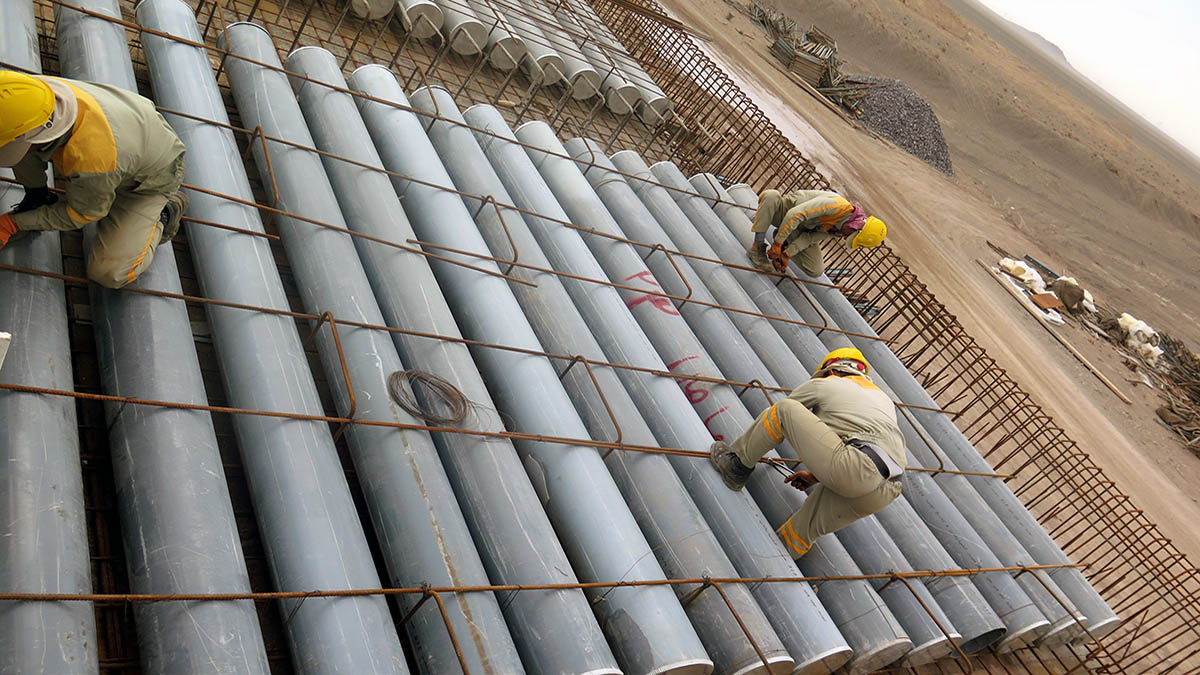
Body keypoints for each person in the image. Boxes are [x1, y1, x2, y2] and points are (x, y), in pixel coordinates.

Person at [709, 348, 905, 559]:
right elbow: (868, 445)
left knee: (783, 411)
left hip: (854, 465)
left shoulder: (827, 383)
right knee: (800, 533)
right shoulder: (883, 400)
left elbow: (785, 418)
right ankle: (775, 567)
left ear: (831, 370)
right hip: (888, 488)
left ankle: (737, 465)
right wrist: (816, 475)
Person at [0, 70, 187, 288]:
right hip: (132, 130)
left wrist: (13, 224)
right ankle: (38, 198)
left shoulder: (93, 158)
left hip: (152, 178)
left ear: (43, 135)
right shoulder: (28, 95)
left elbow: (83, 214)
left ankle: (165, 211)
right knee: (21, 150)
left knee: (109, 273)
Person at [747, 188, 886, 276]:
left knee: (815, 270)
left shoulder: (840, 228)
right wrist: (777, 243)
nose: (845, 238)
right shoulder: (836, 206)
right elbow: (795, 214)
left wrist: (787, 254)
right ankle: (757, 247)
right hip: (784, 213)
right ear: (855, 227)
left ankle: (784, 242)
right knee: (771, 196)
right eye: (850, 236)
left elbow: (809, 238)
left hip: (800, 230)